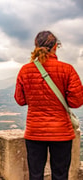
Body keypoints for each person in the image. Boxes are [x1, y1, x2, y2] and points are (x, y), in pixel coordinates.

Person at [14, 30, 83, 180]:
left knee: (35, 175)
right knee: (60, 175)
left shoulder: (25, 71)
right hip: (61, 133)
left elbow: (20, 100)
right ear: (55, 47)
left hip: (35, 131)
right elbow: (76, 102)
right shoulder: (67, 69)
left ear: (36, 46)